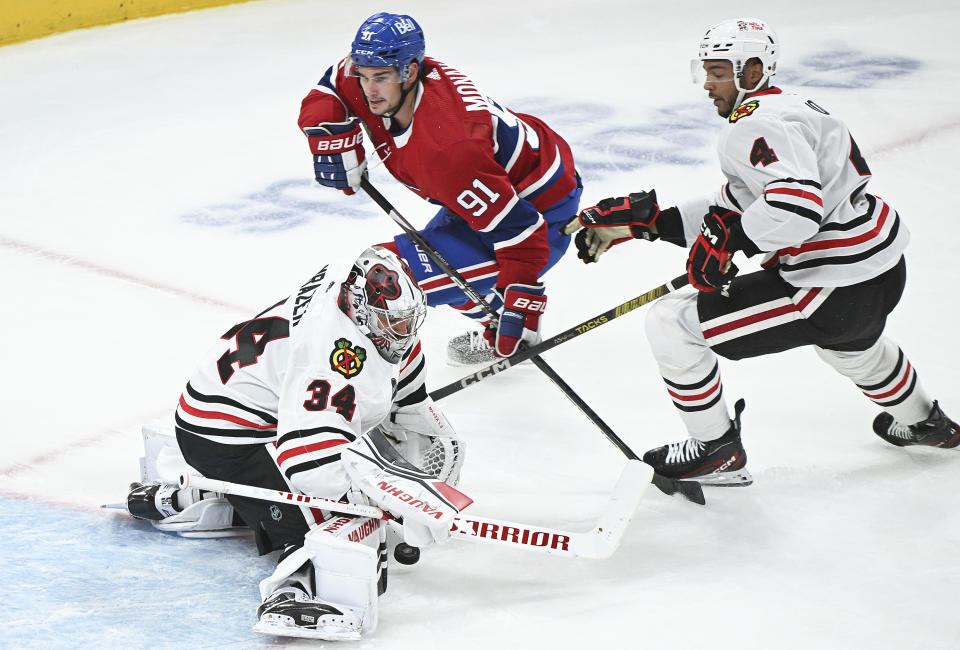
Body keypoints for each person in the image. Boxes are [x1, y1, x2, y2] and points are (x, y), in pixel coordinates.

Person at [561, 17, 958, 487]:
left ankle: (716, 452)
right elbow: (744, 203)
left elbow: (794, 208)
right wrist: (648, 225)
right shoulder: (793, 107)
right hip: (882, 269)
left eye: (718, 72)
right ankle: (923, 422)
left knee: (672, 323)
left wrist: (734, 242)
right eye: (704, 71)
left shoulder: (751, 127)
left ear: (752, 71)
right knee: (854, 350)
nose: (707, 84)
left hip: (828, 286)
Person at [125, 246, 470, 641]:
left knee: (357, 488)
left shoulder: (352, 283)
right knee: (339, 517)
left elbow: (396, 360)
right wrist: (390, 498)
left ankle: (225, 500)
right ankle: (293, 587)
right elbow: (311, 465)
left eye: (408, 320)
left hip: (249, 407)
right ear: (359, 311)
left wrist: (416, 411)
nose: (403, 332)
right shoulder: (328, 357)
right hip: (225, 436)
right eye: (392, 322)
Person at [297, 12, 582, 365]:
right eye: (364, 75)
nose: (368, 90)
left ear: (411, 72)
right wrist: (326, 131)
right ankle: (493, 318)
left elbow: (521, 233)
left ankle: (381, 390)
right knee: (431, 265)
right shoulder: (376, 72)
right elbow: (330, 88)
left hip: (540, 209)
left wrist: (520, 299)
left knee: (383, 284)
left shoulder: (448, 149)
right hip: (499, 184)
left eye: (380, 79)